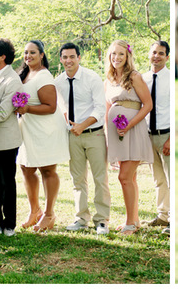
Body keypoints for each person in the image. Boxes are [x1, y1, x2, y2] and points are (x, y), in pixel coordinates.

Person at [54, 43, 110, 235]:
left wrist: (82, 125)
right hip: (72, 136)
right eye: (64, 57)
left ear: (79, 57)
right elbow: (60, 105)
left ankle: (102, 220)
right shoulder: (58, 82)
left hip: (93, 134)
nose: (68, 60)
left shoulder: (92, 78)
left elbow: (100, 109)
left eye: (72, 56)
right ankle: (81, 218)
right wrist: (68, 123)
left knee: (100, 178)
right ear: (60, 59)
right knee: (77, 180)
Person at [16, 40, 69, 232]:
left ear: (41, 55)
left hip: (46, 128)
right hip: (28, 128)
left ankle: (49, 214)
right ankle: (34, 211)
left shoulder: (44, 76)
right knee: (26, 168)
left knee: (47, 170)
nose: (28, 56)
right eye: (26, 52)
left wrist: (27, 108)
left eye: (33, 52)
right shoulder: (25, 74)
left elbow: (51, 106)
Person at [104, 40, 154, 235]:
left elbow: (147, 105)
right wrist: (110, 137)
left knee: (124, 177)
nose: (116, 58)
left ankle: (131, 223)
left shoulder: (134, 77)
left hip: (133, 131)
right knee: (130, 177)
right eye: (113, 54)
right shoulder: (108, 79)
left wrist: (129, 125)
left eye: (121, 54)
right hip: (117, 134)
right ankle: (134, 220)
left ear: (127, 57)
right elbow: (107, 109)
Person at [0, 38, 23, 237]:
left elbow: (3, 112)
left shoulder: (13, 80)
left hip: (6, 140)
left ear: (2, 56)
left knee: (6, 182)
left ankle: (9, 223)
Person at [142, 41, 171, 236]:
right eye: (154, 52)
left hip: (166, 135)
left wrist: (172, 139)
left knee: (171, 180)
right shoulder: (142, 79)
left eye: (161, 53)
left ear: (167, 57)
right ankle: (162, 215)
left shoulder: (170, 79)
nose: (157, 56)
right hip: (148, 135)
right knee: (158, 179)